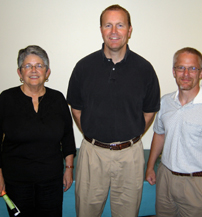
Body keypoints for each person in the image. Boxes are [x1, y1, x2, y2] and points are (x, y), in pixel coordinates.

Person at [67, 4, 160, 217]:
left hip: (131, 156)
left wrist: (127, 136)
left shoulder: (144, 69)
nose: (114, 31)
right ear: (101, 29)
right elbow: (77, 109)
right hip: (92, 154)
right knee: (86, 212)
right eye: (108, 25)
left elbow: (149, 112)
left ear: (129, 30)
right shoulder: (83, 67)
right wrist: (95, 135)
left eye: (120, 25)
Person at [0, 45, 76, 217]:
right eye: (27, 66)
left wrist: (69, 168)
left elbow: (68, 137)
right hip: (16, 181)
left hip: (51, 180)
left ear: (47, 72)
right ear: (20, 73)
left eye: (39, 65)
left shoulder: (57, 99)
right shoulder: (6, 99)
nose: (34, 70)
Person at [146, 47, 202, 217]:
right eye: (180, 67)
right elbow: (159, 134)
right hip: (166, 180)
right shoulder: (165, 102)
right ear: (173, 71)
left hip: (198, 185)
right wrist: (150, 167)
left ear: (201, 73)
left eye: (192, 68)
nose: (185, 74)